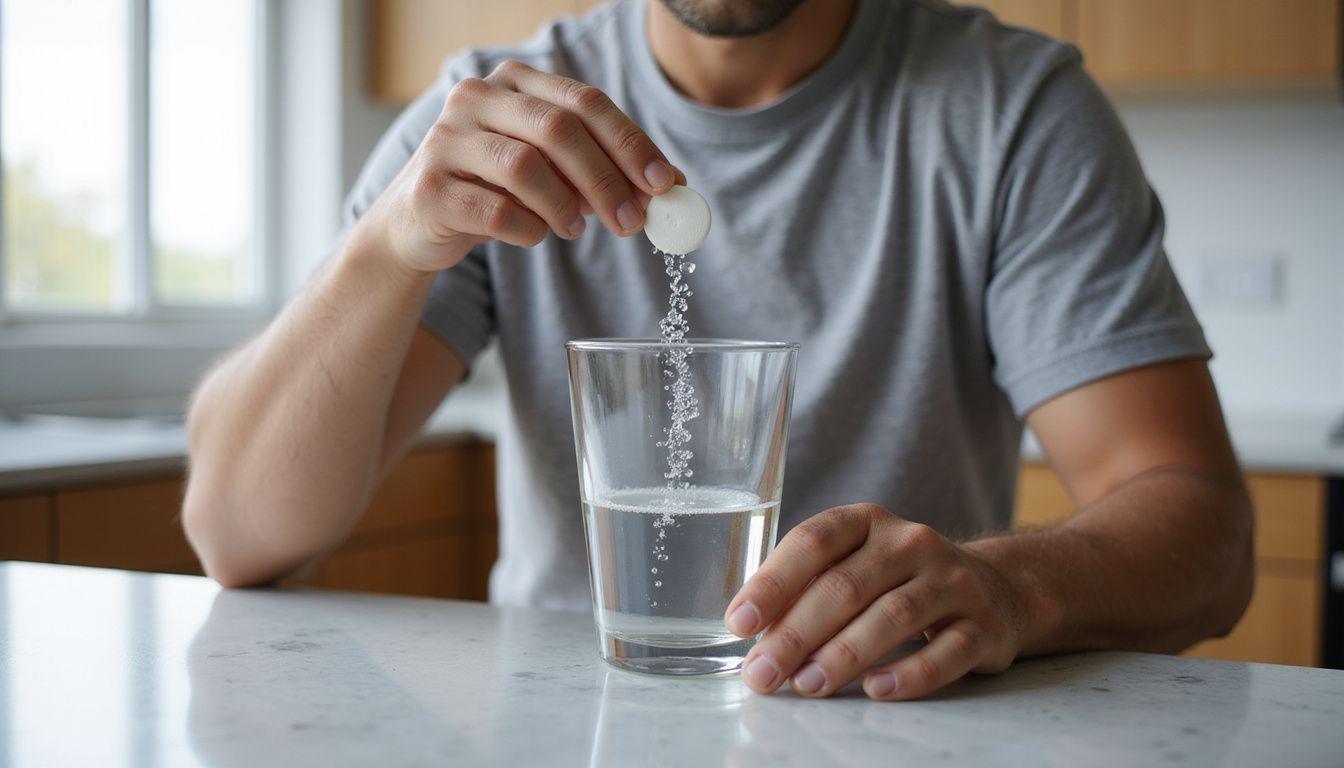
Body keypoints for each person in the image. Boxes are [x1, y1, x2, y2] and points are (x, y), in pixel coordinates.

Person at [183, 0, 1253, 701]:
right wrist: (388, 247)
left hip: (895, 722)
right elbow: (235, 532)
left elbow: (1200, 528)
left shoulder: (1006, 111)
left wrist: (1006, 588)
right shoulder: (493, 119)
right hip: (578, 727)